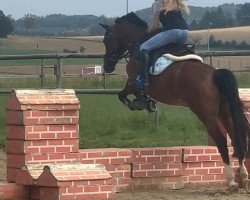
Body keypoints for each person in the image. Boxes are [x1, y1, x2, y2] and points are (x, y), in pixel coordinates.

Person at [135, 0, 189, 91]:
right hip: (185, 32)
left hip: (172, 32)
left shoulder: (157, 4)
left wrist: (147, 32)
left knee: (143, 47)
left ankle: (144, 79)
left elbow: (155, 27)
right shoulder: (175, 2)